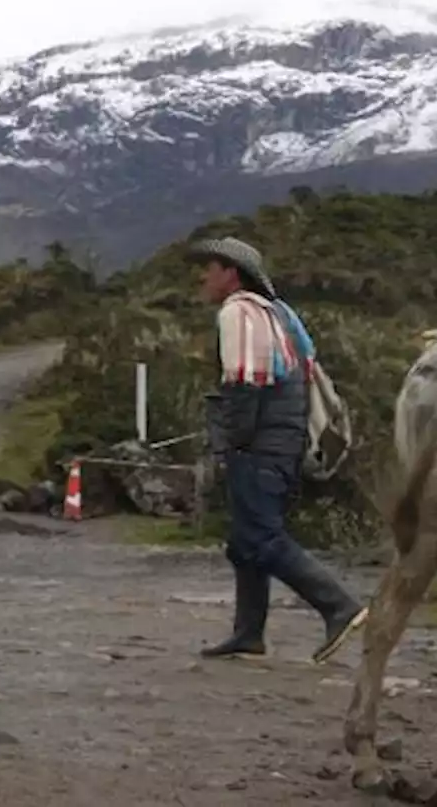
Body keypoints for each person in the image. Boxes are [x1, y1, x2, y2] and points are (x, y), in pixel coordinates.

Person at [186, 235, 368, 665]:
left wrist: (235, 441)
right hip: (287, 439)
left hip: (261, 443)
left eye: (210, 268)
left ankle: (339, 605)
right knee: (243, 540)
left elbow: (245, 381)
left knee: (262, 538)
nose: (203, 276)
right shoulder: (280, 314)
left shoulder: (238, 313)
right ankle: (248, 633)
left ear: (231, 273)